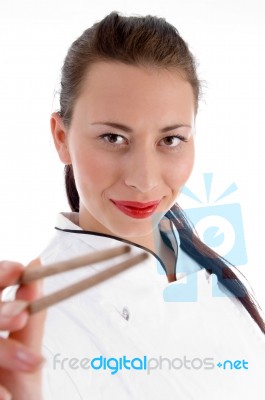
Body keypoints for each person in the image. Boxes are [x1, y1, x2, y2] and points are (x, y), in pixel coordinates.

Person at [0, 11, 264, 400]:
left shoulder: (196, 257)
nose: (144, 179)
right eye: (112, 137)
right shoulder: (39, 322)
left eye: (170, 140)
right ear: (61, 137)